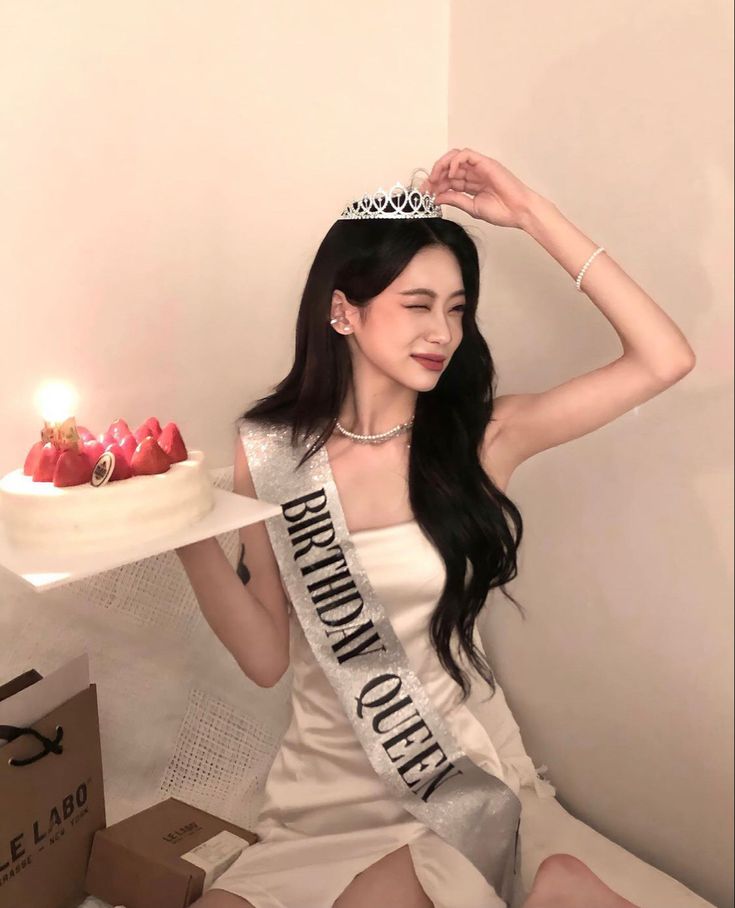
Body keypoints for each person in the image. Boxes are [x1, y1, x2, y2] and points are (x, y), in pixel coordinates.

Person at [175, 147, 696, 908]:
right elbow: (264, 658)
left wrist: (526, 212)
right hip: (319, 801)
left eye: (456, 308)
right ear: (343, 310)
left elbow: (664, 357)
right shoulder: (270, 451)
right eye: (417, 305)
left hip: (450, 786)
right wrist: (186, 531)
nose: (442, 332)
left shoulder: (481, 442)